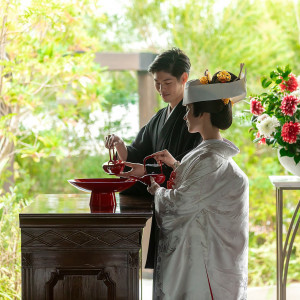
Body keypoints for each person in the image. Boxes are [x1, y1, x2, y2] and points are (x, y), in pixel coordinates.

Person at [125, 65, 249, 299]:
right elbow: (198, 185)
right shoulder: (207, 153)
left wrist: (156, 190)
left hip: (204, 261)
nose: (184, 115)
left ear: (204, 114)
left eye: (189, 109)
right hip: (202, 252)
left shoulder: (210, 158)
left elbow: (180, 204)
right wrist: (175, 165)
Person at [105, 48, 202, 268]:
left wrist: (147, 172)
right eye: (157, 83)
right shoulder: (160, 116)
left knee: (181, 267)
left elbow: (190, 164)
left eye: (167, 83)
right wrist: (120, 145)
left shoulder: (195, 117)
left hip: (180, 202)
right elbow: (139, 153)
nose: (161, 89)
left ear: (184, 78)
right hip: (160, 197)